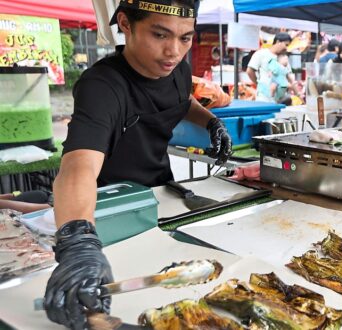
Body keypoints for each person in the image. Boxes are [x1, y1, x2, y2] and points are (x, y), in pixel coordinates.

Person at [42, 1, 233, 329]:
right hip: (107, 211)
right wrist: (78, 241)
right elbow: (78, 167)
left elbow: (181, 100)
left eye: (185, 39)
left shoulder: (177, 70)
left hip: (161, 196)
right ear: (126, 23)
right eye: (160, 34)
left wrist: (212, 122)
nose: (173, 51)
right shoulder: (102, 86)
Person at [246, 33, 297, 102]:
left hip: (280, 100)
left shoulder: (284, 58)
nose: (286, 48)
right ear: (278, 42)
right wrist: (258, 84)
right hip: (263, 99)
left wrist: (297, 92)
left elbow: (289, 76)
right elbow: (249, 71)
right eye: (286, 45)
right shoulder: (261, 54)